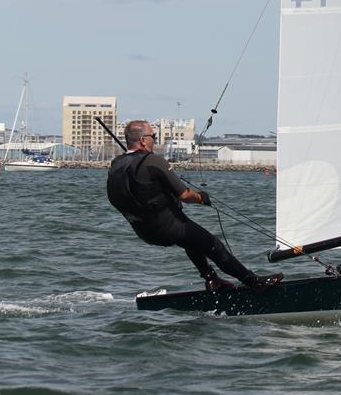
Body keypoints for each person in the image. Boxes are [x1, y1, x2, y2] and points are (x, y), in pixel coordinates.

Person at [107, 120, 282, 293]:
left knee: (191, 240)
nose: (155, 139)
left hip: (145, 231)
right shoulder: (153, 161)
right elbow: (185, 195)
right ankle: (254, 282)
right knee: (212, 244)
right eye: (153, 136)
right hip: (168, 227)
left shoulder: (117, 164)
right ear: (143, 140)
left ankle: (211, 279)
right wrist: (201, 198)